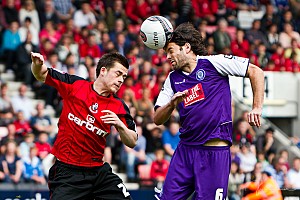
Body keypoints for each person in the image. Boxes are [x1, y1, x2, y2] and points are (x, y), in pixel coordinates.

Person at [153, 22, 264, 200]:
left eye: (171, 50)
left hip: (214, 154)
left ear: (186, 47)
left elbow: (255, 71)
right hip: (185, 152)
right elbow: (157, 118)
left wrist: (257, 107)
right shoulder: (172, 79)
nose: (167, 56)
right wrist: (172, 104)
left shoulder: (214, 63)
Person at [31, 51, 137, 199]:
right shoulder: (75, 85)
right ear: (103, 71)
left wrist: (120, 125)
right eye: (118, 73)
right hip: (68, 174)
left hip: (98, 173)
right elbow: (40, 74)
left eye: (124, 77)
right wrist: (37, 64)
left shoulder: (119, 106)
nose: (121, 80)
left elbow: (132, 141)